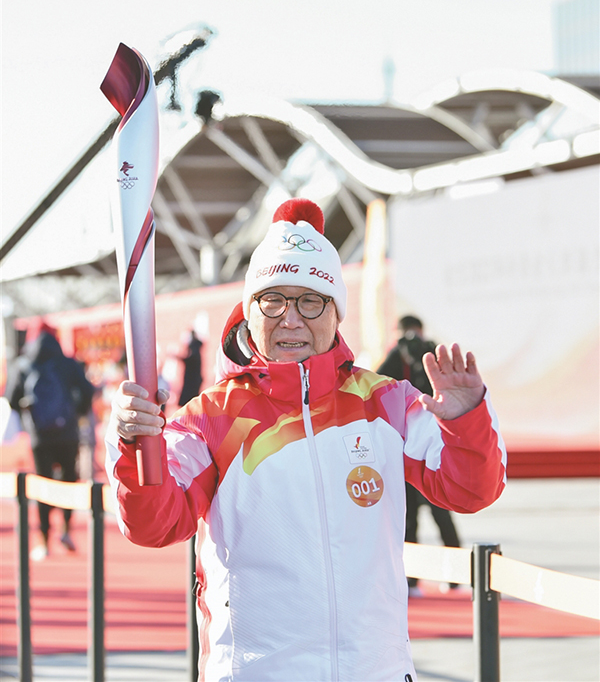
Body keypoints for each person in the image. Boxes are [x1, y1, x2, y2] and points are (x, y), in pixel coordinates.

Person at [106, 198, 506, 682]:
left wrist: (465, 419)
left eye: (311, 301)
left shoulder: (386, 403)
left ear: (336, 313)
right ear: (249, 312)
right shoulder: (209, 419)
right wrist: (136, 444)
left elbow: (471, 490)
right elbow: (153, 524)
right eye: (272, 300)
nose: (291, 319)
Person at [378, 316, 462, 596]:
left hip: (428, 449)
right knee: (411, 518)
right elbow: (378, 383)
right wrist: (399, 352)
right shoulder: (401, 355)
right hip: (409, 451)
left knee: (439, 516)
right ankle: (413, 579)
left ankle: (453, 575)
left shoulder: (431, 354)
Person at [6, 327, 95, 560]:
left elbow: (11, 398)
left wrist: (29, 419)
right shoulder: (67, 363)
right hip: (68, 433)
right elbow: (87, 391)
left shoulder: (24, 364)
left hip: (39, 436)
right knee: (68, 481)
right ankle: (66, 529)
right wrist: (75, 413)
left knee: (42, 485)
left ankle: (44, 539)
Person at [178, 329, 203, 406]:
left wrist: (177, 357)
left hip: (192, 382)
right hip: (192, 381)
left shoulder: (195, 351)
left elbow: (190, 360)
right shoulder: (195, 350)